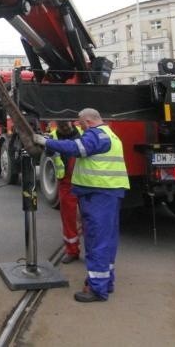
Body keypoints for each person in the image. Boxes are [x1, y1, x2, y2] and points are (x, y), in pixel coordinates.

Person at [34, 108, 129, 303]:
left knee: (97, 242)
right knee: (107, 241)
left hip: (99, 195)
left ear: (87, 121)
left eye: (80, 123)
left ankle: (97, 289)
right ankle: (106, 282)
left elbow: (76, 148)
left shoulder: (96, 135)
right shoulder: (109, 134)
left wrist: (45, 141)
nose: (79, 127)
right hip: (107, 194)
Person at [49, 121, 82, 264]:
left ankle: (93, 251)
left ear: (71, 122)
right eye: (61, 125)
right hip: (66, 182)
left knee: (89, 218)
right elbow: (48, 151)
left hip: (84, 179)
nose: (64, 127)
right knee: (68, 218)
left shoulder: (83, 131)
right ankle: (72, 250)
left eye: (66, 124)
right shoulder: (53, 136)